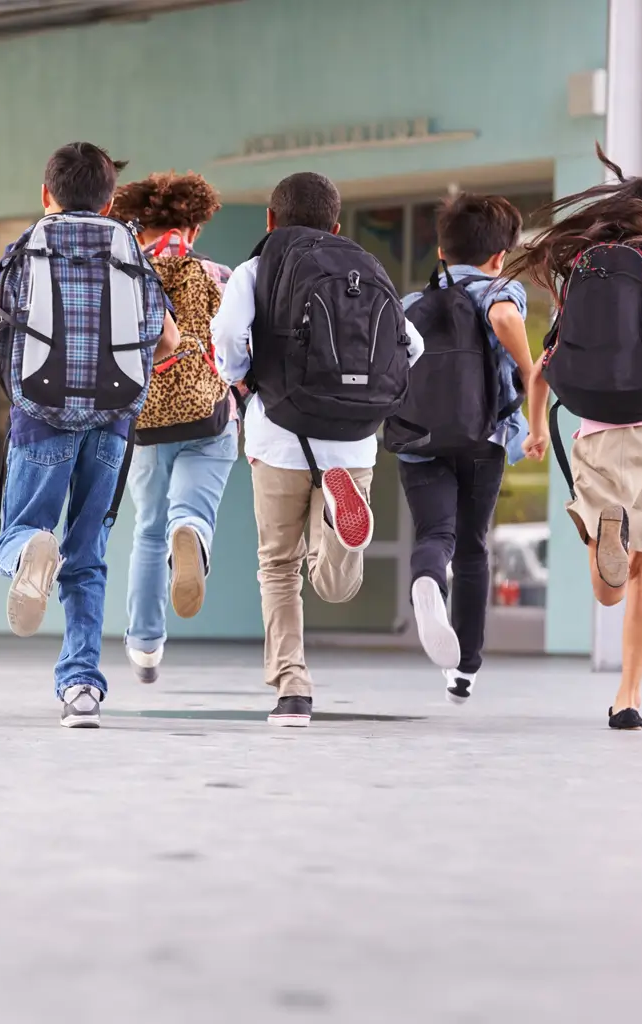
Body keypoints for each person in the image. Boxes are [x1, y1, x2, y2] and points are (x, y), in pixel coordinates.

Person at [212, 171, 424, 727]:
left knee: (279, 568)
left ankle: (293, 688)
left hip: (278, 436)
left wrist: (238, 376)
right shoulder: (363, 266)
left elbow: (229, 335)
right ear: (336, 223)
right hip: (352, 445)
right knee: (336, 584)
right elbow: (413, 345)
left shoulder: (256, 269)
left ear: (270, 221)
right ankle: (339, 529)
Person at [0, 142, 180, 728]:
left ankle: (27, 552)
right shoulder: (130, 249)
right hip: (113, 419)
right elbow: (166, 339)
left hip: (40, 414)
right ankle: (81, 691)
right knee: (88, 553)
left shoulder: (28, 247)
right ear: (111, 198)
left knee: (17, 531)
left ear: (47, 196)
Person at [518, 146, 642, 730]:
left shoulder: (585, 269)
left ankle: (609, 543)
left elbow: (543, 367)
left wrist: (534, 430)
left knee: (609, 589)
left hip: (596, 432)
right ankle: (628, 696)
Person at [396, 194, 532, 705]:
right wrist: (530, 368)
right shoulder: (502, 289)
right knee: (474, 546)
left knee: (437, 534)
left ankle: (428, 579)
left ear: (440, 250)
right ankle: (465, 669)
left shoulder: (411, 304)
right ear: (500, 254)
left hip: (420, 437)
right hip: (482, 437)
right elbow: (502, 319)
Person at [109, 172, 238, 684]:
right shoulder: (217, 274)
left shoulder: (126, 276)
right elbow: (237, 349)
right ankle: (192, 533)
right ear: (196, 225)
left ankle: (144, 645)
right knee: (190, 511)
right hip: (207, 416)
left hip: (144, 424)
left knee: (146, 530)